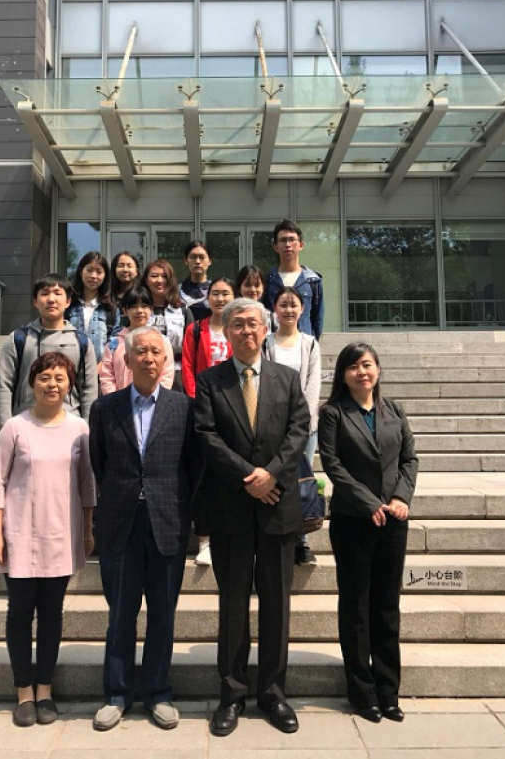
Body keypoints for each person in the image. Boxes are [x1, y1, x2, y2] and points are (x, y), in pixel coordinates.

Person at [194, 298, 310, 737]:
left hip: (278, 506)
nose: (246, 330)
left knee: (277, 604)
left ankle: (274, 694)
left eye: (253, 323)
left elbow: (299, 430)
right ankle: (232, 695)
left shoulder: (288, 378)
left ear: (265, 329)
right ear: (226, 332)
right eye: (237, 324)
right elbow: (206, 435)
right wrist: (250, 477)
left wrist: (271, 474)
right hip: (231, 508)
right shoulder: (211, 381)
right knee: (233, 604)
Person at [89, 327, 202, 732]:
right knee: (120, 614)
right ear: (128, 359)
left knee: (162, 615)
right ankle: (117, 694)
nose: (149, 358)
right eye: (141, 351)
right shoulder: (105, 408)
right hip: (120, 523)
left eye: (156, 351)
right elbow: (99, 463)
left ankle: (158, 692)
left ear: (166, 359)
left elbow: (194, 467)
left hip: (167, 523)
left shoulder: (184, 408)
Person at [0, 352, 96, 728]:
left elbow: (87, 484)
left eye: (60, 378)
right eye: (45, 377)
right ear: (32, 383)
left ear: (70, 386)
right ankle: (23, 691)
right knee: (19, 613)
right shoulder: (14, 428)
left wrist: (87, 530)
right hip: (19, 535)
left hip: (61, 535)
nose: (52, 384)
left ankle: (45, 690)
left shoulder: (80, 429)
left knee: (52, 614)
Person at [318, 342, 418, 725]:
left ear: (377, 369)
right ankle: (362, 693)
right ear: (343, 375)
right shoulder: (333, 414)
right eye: (354, 367)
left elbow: (409, 458)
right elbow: (333, 464)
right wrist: (368, 502)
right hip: (353, 521)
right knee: (356, 607)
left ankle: (388, 692)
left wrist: (400, 496)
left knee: (386, 606)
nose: (362, 372)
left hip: (393, 520)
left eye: (367, 365)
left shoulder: (394, 410)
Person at [0, 273, 98, 429]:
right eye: (44, 293)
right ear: (35, 301)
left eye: (57, 293)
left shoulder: (81, 341)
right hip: (26, 424)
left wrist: (88, 430)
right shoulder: (18, 339)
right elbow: (4, 386)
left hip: (70, 427)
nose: (51, 299)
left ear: (68, 301)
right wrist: (6, 429)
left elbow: (89, 389)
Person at [264, 286, 321, 566]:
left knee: (301, 480)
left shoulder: (310, 343)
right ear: (274, 310)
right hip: (273, 424)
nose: (288, 309)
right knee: (276, 477)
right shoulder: (266, 343)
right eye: (283, 304)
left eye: (293, 304)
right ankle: (279, 533)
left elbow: (313, 386)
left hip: (304, 426)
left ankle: (302, 540)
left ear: (302, 309)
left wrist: (302, 422)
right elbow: (265, 381)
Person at [181, 276, 236, 568]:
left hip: (234, 410)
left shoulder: (237, 328)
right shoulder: (195, 329)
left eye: (226, 293)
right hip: (202, 409)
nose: (220, 299)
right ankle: (204, 540)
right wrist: (196, 402)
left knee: (231, 476)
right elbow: (188, 368)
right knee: (203, 477)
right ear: (207, 298)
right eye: (215, 293)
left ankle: (230, 537)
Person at [100, 285, 174, 394]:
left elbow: (166, 375)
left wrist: (157, 399)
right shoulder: (114, 344)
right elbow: (107, 377)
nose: (139, 311)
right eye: (134, 307)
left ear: (151, 309)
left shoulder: (162, 341)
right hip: (119, 401)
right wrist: (114, 400)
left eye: (144, 306)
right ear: (125, 311)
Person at [265, 219, 324, 342]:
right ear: (275, 247)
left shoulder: (312, 281)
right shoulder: (268, 281)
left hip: (303, 344)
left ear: (301, 245)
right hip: (274, 345)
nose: (287, 244)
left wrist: (312, 344)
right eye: (283, 240)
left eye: (292, 239)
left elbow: (317, 319)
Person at [143, 258, 194, 391]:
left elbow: (191, 348)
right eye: (154, 276)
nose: (159, 280)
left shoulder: (183, 311)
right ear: (146, 280)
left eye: (164, 276)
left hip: (177, 374)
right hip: (146, 371)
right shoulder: (140, 310)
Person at [67, 252, 115, 375]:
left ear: (105, 276)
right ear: (80, 271)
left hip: (101, 372)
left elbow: (115, 342)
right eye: (89, 270)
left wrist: (98, 369)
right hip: (69, 371)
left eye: (99, 272)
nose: (94, 276)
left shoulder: (110, 308)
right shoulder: (68, 304)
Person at [179, 240, 213, 322]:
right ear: (186, 260)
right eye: (193, 257)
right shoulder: (177, 291)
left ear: (210, 261)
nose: (197, 261)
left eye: (202, 257)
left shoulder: (215, 290)